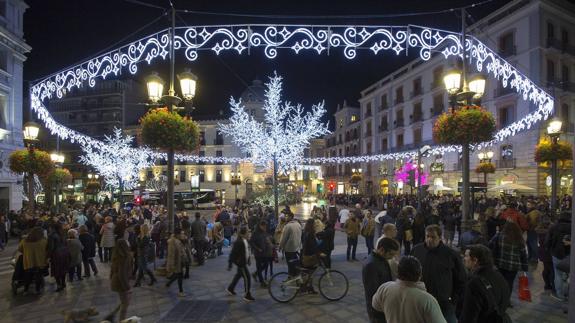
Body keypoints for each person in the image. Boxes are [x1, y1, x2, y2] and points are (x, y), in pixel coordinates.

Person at [411, 225, 466, 323]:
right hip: (420, 298)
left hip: (443, 302)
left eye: (433, 237)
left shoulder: (451, 254)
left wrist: (453, 299)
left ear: (440, 238)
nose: (429, 239)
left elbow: (461, 279)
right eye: (427, 236)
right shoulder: (417, 250)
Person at [372, 256, 447, 323]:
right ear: (419, 275)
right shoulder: (427, 300)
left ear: (398, 273)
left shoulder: (385, 288)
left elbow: (376, 306)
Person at [460, 244, 511, 323]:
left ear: (475, 260)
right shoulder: (499, 276)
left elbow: (469, 316)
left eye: (466, 256)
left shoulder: (474, 283)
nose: (464, 258)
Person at [362, 237, 400, 323]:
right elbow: (373, 291)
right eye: (391, 254)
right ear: (382, 250)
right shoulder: (371, 264)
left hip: (384, 304)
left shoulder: (381, 259)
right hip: (377, 309)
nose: (392, 257)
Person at [489, 221, 528, 294]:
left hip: (500, 264)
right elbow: (523, 255)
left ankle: (500, 298)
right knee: (509, 283)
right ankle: (507, 300)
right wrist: (524, 268)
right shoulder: (519, 239)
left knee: (499, 282)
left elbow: (490, 245)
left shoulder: (499, 236)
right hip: (513, 266)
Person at [545, 210, 571, 302]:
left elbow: (548, 241)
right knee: (569, 275)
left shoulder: (554, 227)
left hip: (556, 254)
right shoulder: (572, 227)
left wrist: (548, 250)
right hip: (569, 254)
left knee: (558, 274)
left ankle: (560, 295)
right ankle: (568, 294)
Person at [226, 226, 255, 302]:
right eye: (247, 232)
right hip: (241, 263)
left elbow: (246, 251)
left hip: (243, 262)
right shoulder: (238, 242)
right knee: (247, 278)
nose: (249, 234)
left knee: (238, 275)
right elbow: (233, 254)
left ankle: (230, 288)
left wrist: (248, 259)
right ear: (243, 234)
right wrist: (230, 264)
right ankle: (247, 295)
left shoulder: (245, 240)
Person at [108, 239, 133, 322]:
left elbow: (112, 270)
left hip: (116, 281)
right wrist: (127, 287)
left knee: (124, 301)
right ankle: (121, 320)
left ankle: (114, 315)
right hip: (121, 283)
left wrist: (111, 278)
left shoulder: (116, 255)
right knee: (125, 304)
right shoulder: (125, 257)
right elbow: (122, 274)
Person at [18, 227, 47, 294]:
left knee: (27, 277)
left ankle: (26, 290)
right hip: (40, 262)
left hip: (28, 262)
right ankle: (37, 290)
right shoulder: (44, 241)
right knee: (39, 277)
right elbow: (47, 249)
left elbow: (20, 249)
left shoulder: (25, 241)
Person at [279, 212, 302, 277]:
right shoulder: (298, 224)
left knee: (290, 263)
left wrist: (280, 246)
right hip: (297, 247)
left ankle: (290, 275)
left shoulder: (288, 226)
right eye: (285, 216)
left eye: (287, 216)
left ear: (291, 217)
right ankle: (295, 275)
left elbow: (284, 238)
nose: (286, 217)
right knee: (295, 262)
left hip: (289, 248)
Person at [250, 220, 270, 287]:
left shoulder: (264, 232)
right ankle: (262, 282)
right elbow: (251, 242)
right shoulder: (255, 233)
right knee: (258, 267)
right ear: (260, 226)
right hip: (258, 253)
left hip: (265, 252)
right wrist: (257, 248)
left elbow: (266, 239)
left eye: (265, 226)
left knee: (266, 265)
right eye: (263, 226)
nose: (265, 227)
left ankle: (255, 274)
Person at [166, 228, 186, 297]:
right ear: (177, 234)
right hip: (177, 262)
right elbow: (171, 254)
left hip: (180, 261)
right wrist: (172, 264)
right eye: (181, 233)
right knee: (179, 275)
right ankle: (181, 291)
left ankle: (169, 283)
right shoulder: (172, 242)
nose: (183, 235)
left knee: (177, 274)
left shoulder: (180, 240)